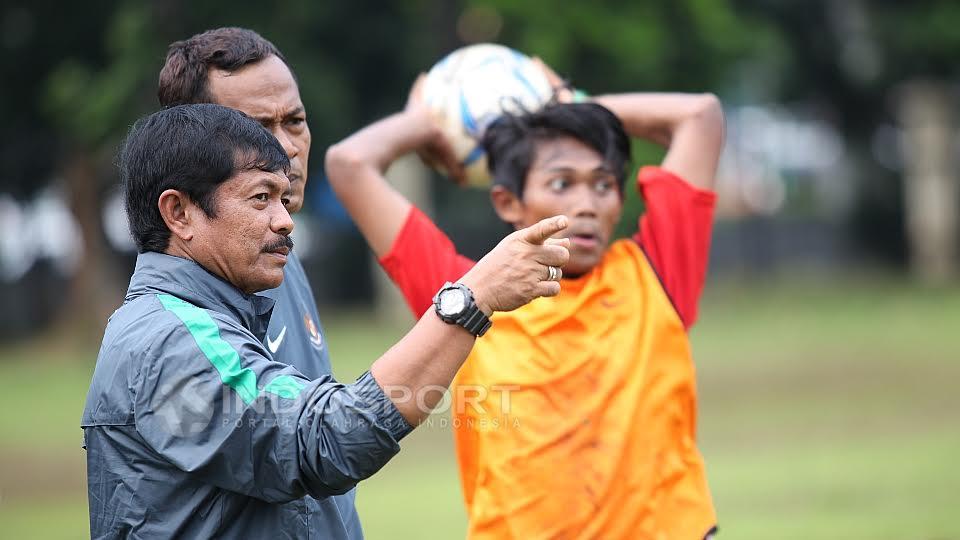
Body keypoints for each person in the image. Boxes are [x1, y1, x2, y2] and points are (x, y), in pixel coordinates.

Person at [81, 103, 570, 538]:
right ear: (179, 213)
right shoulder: (173, 340)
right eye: (259, 198)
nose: (284, 220)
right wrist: (471, 298)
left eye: (282, 197)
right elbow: (328, 438)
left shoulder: (203, 320)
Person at [325, 69, 725, 539]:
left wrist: (561, 105)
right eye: (561, 184)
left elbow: (701, 116)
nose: (588, 204)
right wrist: (434, 123)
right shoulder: (464, 294)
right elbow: (349, 163)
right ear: (508, 202)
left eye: (602, 184)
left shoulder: (658, 269)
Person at [155, 27, 355, 535]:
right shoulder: (176, 324)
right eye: (256, 128)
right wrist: (465, 305)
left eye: (296, 121)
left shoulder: (282, 264)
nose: (286, 148)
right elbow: (318, 444)